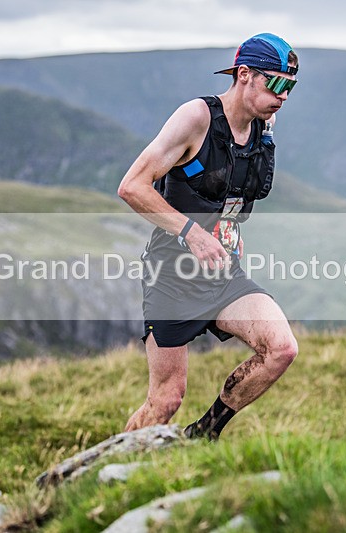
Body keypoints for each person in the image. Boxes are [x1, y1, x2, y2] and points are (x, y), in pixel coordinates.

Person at [117, 33, 300, 440]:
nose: (284, 96)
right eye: (277, 84)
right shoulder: (196, 118)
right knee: (166, 399)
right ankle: (108, 466)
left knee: (282, 349)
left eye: (291, 87)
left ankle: (204, 435)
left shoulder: (263, 123)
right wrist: (192, 233)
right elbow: (132, 186)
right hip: (173, 271)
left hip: (223, 271)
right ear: (244, 74)